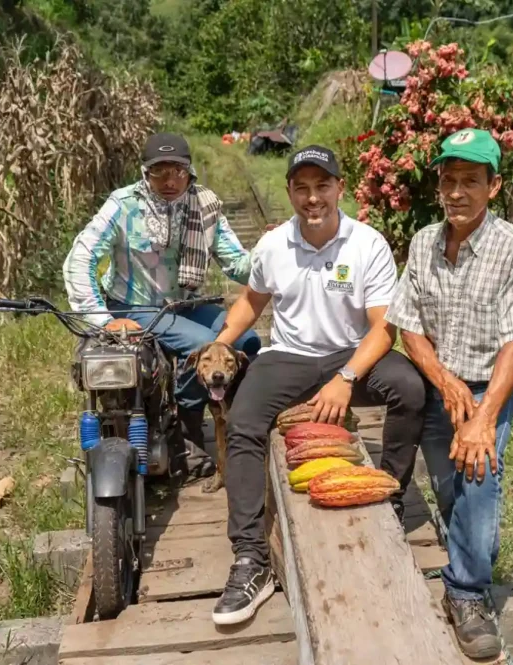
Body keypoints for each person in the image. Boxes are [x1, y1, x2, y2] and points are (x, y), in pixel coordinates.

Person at [208, 145, 427, 626]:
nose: (312, 198)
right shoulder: (272, 245)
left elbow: (382, 326)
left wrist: (346, 378)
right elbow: (252, 301)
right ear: (289, 191)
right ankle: (250, 558)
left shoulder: (366, 245)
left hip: (352, 354)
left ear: (339, 189)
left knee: (410, 388)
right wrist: (220, 341)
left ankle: (389, 498)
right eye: (302, 188)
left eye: (322, 186)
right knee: (243, 423)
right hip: (287, 356)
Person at [385, 128, 513, 659]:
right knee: (447, 486)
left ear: (494, 185)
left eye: (471, 181)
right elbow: (409, 325)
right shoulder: (423, 243)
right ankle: (466, 554)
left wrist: (482, 416)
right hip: (442, 384)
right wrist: (445, 382)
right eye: (449, 180)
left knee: (478, 481)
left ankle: (466, 592)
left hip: (491, 388)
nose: (457, 192)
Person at [62, 132, 262, 459]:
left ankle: (236, 419)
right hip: (135, 307)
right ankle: (189, 436)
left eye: (178, 171)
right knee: (200, 345)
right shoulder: (123, 205)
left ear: (190, 172)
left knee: (247, 340)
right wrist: (101, 319)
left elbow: (238, 265)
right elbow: (80, 258)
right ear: (146, 173)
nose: (170, 180)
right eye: (160, 171)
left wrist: (270, 250)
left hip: (184, 304)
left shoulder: (205, 204)